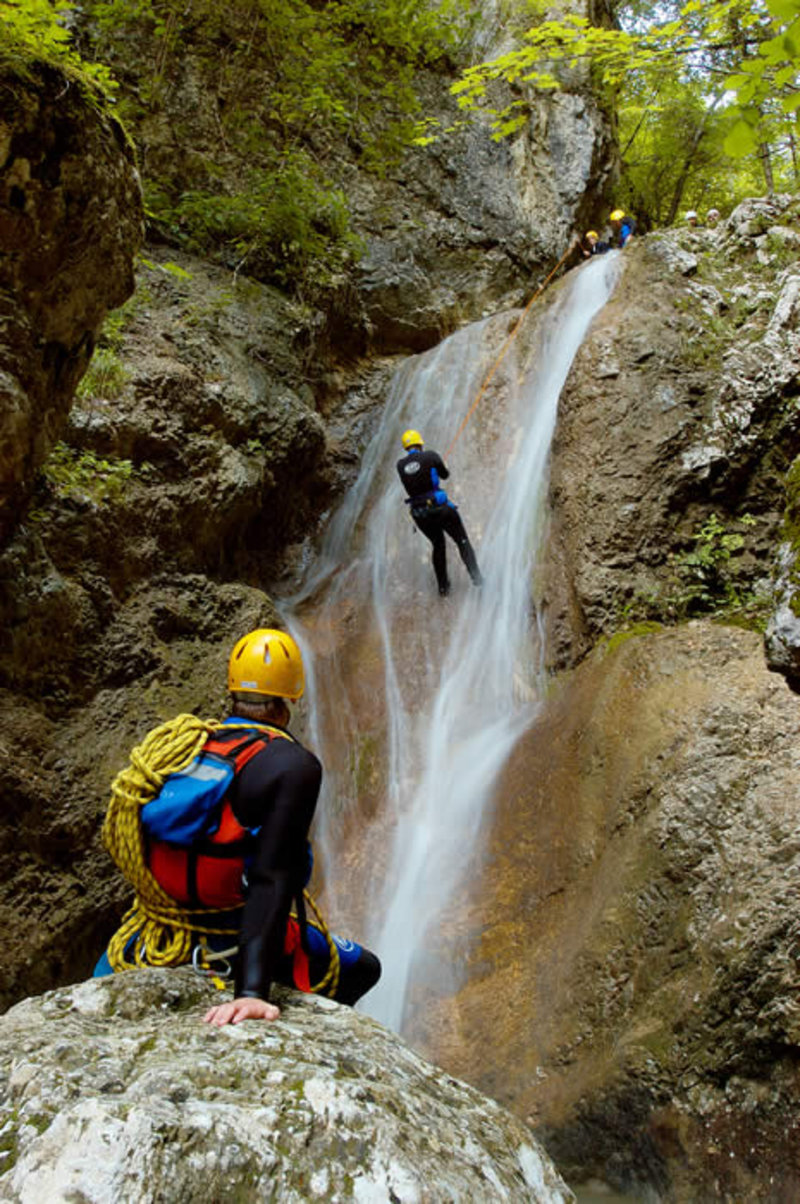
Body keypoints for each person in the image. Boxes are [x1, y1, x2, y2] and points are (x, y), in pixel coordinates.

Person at [96, 628, 381, 1026]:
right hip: (226, 936)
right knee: (364, 968)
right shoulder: (291, 765)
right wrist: (250, 993)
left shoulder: (185, 746)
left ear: (232, 693)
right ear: (287, 703)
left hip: (153, 932)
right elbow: (272, 877)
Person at [397, 429, 483, 596]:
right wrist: (442, 466)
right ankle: (477, 578)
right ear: (420, 443)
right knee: (461, 540)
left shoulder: (400, 465)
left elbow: (415, 479)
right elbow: (445, 475)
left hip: (419, 514)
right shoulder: (430, 456)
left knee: (438, 544)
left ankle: (443, 588)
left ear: (406, 447)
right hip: (440, 509)